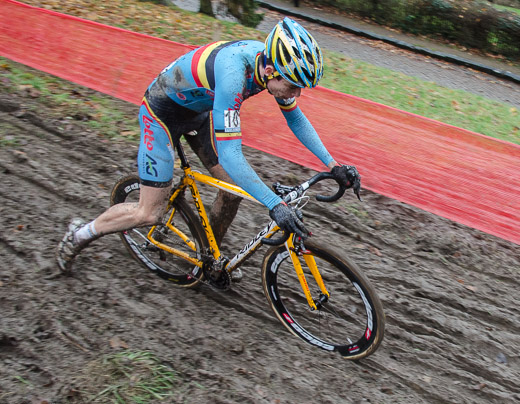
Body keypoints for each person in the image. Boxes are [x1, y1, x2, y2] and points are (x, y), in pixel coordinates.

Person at [56, 17, 360, 275]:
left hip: (199, 113)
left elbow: (296, 119)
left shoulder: (272, 65)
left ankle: (208, 260)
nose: (295, 93)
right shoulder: (233, 75)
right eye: (293, 85)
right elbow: (230, 154)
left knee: (232, 193)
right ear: (270, 71)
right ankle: (80, 233)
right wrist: (275, 205)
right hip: (161, 115)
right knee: (148, 213)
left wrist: (333, 165)